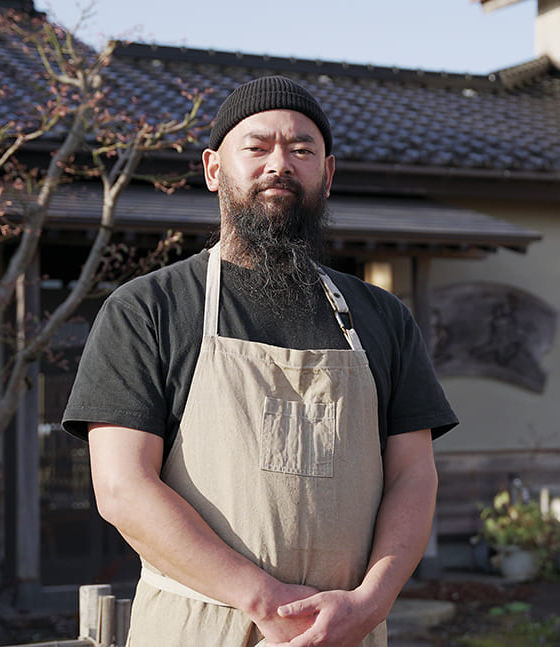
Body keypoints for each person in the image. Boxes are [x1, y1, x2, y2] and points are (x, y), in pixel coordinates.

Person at [62, 75, 458, 647]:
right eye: (256, 147)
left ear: (328, 173)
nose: (281, 163)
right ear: (213, 169)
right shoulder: (149, 308)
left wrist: (372, 601)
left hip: (347, 631)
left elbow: (413, 475)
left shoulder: (382, 317)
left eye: (302, 149)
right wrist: (264, 601)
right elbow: (123, 487)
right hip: (196, 627)